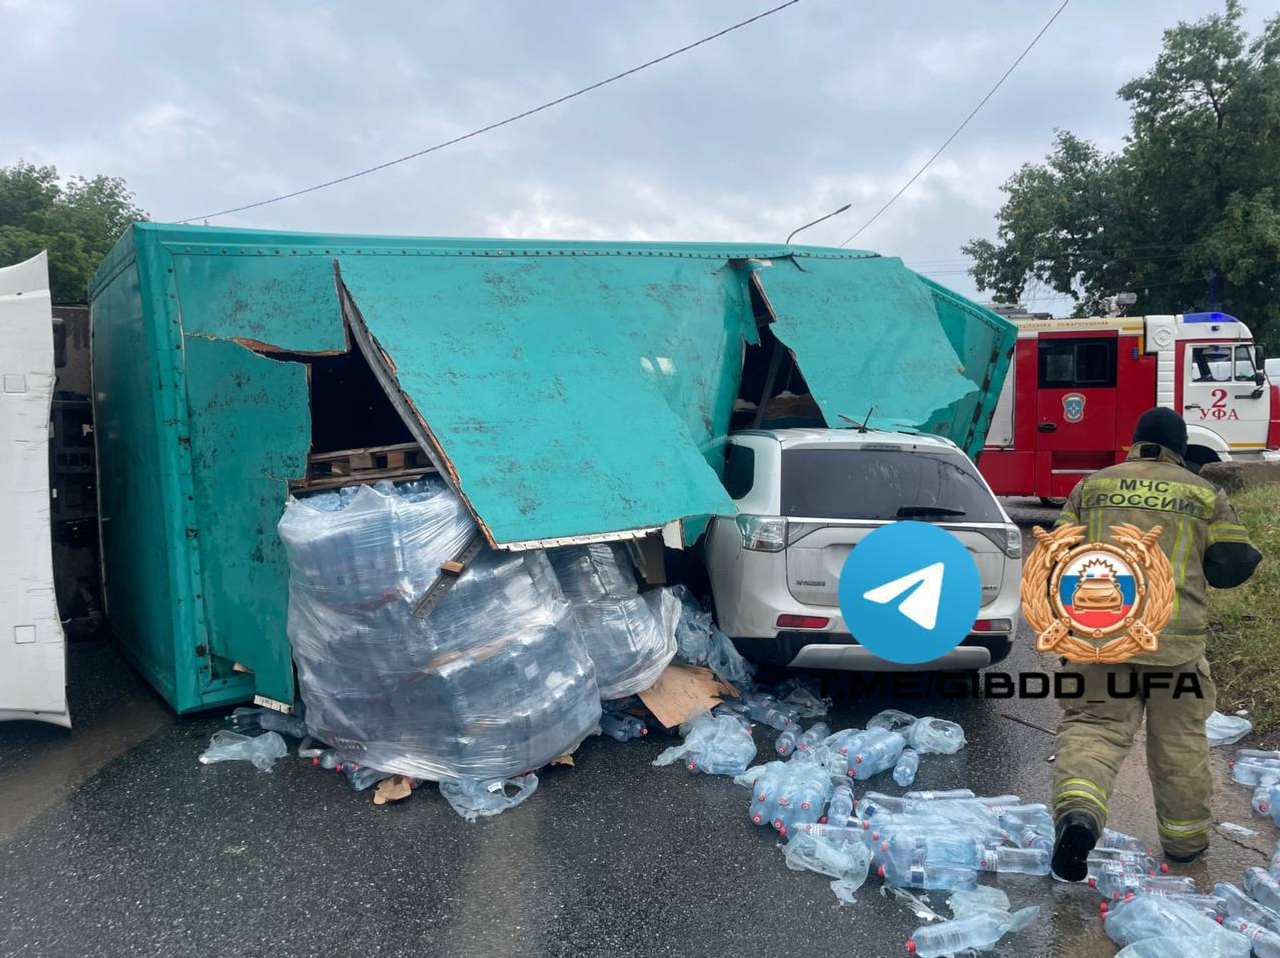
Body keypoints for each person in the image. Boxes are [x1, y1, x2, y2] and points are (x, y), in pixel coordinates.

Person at [1049, 407, 1262, 880]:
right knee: (1180, 745)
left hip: (1101, 640)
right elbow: (1230, 564)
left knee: (1093, 729)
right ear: (1180, 448)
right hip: (1177, 652)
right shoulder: (1203, 493)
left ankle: (1080, 816)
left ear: (1136, 441)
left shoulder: (1093, 487)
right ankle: (1185, 849)